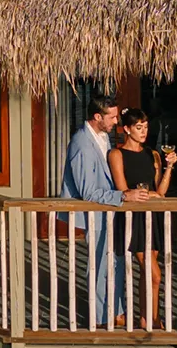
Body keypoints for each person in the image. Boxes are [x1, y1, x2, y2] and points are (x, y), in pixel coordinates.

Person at [60, 94, 148, 325]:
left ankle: (116, 311)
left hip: (109, 210)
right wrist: (123, 195)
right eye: (112, 117)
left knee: (115, 260)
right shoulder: (81, 144)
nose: (117, 121)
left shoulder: (102, 137)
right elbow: (87, 191)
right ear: (97, 116)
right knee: (99, 265)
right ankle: (101, 317)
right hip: (95, 212)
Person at [105, 108, 176, 325]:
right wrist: (144, 194)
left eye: (145, 127)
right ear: (126, 129)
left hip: (151, 215)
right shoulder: (116, 154)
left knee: (148, 272)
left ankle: (147, 319)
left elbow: (161, 192)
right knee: (154, 274)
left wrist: (169, 167)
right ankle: (153, 319)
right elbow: (123, 190)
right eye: (138, 127)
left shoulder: (152, 154)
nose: (143, 132)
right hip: (132, 217)